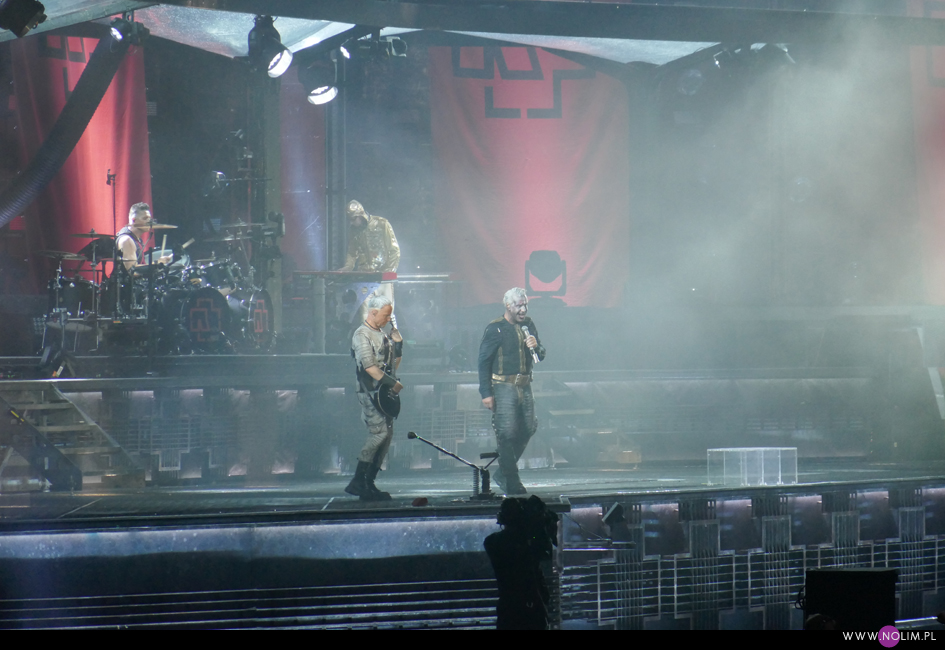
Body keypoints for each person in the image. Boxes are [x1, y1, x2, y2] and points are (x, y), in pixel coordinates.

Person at [478, 288, 546, 496]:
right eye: (519, 305)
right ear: (508, 306)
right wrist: (486, 393)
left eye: (525, 305)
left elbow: (541, 354)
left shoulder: (528, 325)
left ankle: (503, 473)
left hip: (525, 385)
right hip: (503, 386)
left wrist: (537, 346)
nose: (523, 310)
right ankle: (512, 480)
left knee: (528, 428)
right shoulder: (496, 328)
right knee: (506, 433)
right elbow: (483, 362)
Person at [345, 293, 404, 501]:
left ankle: (368, 482)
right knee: (379, 433)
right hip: (369, 391)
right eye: (385, 315)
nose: (388, 319)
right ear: (373, 312)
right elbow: (369, 367)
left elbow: (392, 366)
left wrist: (398, 346)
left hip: (383, 392)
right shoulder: (362, 335)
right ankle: (358, 480)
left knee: (386, 436)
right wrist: (392, 383)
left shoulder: (383, 335)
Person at [336, 200, 400, 325]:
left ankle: (390, 337)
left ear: (360, 215)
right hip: (365, 278)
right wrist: (348, 267)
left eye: (353, 219)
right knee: (365, 315)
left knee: (387, 315)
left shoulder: (382, 224)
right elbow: (352, 252)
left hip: (382, 278)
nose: (352, 222)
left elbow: (394, 250)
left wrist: (389, 271)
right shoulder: (353, 230)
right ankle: (368, 337)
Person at [116, 202, 171, 271]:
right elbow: (132, 271)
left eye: (149, 218)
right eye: (145, 218)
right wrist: (157, 263)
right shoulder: (127, 240)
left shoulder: (137, 238)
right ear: (133, 220)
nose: (149, 221)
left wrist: (157, 263)